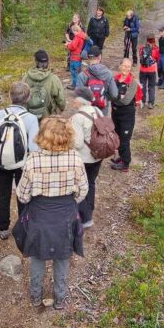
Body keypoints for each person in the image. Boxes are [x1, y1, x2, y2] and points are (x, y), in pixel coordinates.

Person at [16, 116, 88, 310]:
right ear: (68, 135)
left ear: (43, 135)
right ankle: (59, 299)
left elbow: (22, 196)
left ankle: (35, 296)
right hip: (65, 214)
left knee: (38, 256)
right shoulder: (75, 158)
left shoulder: (33, 160)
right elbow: (83, 191)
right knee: (63, 256)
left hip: (40, 215)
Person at [0, 83, 40, 240]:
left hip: (0, 162)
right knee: (23, 194)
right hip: (21, 164)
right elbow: (34, 148)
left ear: (10, 96)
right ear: (27, 98)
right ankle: (23, 228)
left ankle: (3, 226)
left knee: (3, 193)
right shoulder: (31, 119)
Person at [70, 87, 104, 228]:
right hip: (98, 155)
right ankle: (89, 210)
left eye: (74, 98)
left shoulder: (78, 117)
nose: (73, 101)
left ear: (80, 101)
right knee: (91, 183)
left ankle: (85, 218)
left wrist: (68, 136)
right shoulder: (97, 111)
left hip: (84, 158)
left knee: (80, 186)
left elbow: (77, 143)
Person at [110, 59, 141, 173]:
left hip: (127, 114)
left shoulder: (132, 82)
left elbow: (126, 100)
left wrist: (115, 98)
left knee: (124, 140)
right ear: (120, 66)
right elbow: (109, 94)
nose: (126, 68)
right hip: (115, 112)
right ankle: (122, 158)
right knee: (117, 136)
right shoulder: (115, 79)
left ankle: (126, 163)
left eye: (128, 67)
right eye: (124, 66)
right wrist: (118, 98)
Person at [21, 50, 66, 119]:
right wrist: (60, 109)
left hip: (29, 116)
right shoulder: (53, 78)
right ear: (48, 62)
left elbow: (21, 98)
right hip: (48, 117)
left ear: (35, 61)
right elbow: (61, 100)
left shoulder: (26, 78)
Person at [76, 46, 119, 117]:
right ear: (100, 57)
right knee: (101, 127)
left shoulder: (82, 75)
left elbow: (78, 95)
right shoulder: (108, 73)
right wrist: (105, 97)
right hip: (103, 109)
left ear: (87, 57)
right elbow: (114, 94)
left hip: (87, 110)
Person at [138, 34, 160, 109]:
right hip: (152, 70)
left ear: (147, 39)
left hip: (142, 69)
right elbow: (157, 59)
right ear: (154, 40)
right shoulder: (156, 48)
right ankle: (151, 103)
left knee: (142, 86)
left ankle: (143, 101)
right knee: (151, 86)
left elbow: (140, 56)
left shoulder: (141, 47)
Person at [64, 25, 88, 89]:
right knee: (77, 71)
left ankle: (75, 85)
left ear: (75, 30)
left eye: (73, 31)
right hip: (77, 56)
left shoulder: (77, 37)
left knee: (74, 72)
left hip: (75, 57)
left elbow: (73, 47)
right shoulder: (81, 36)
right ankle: (77, 85)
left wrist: (67, 45)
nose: (73, 32)